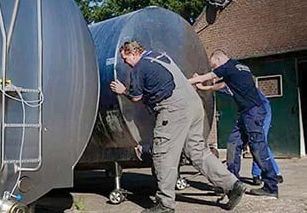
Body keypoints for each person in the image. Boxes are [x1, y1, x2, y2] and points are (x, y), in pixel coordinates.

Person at [110, 41, 246, 213]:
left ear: (133, 53)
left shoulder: (140, 67)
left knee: (163, 154)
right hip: (194, 105)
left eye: (125, 58)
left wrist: (122, 90)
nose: (125, 62)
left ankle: (165, 204)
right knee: (198, 151)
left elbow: (136, 97)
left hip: (174, 109)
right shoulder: (160, 56)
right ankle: (232, 185)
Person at [188, 50, 279, 198]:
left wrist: (186, 82)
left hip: (252, 113)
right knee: (233, 145)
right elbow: (224, 84)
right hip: (245, 113)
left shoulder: (229, 66)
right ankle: (231, 183)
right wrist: (205, 88)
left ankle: (271, 186)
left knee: (257, 149)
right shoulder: (240, 67)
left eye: (214, 65)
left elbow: (210, 76)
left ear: (219, 59)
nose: (214, 68)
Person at [195, 80, 284, 185]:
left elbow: (223, 86)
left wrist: (204, 86)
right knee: (233, 144)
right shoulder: (232, 83)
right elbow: (223, 88)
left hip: (259, 110)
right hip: (244, 112)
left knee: (258, 143)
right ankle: (232, 176)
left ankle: (261, 174)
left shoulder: (236, 78)